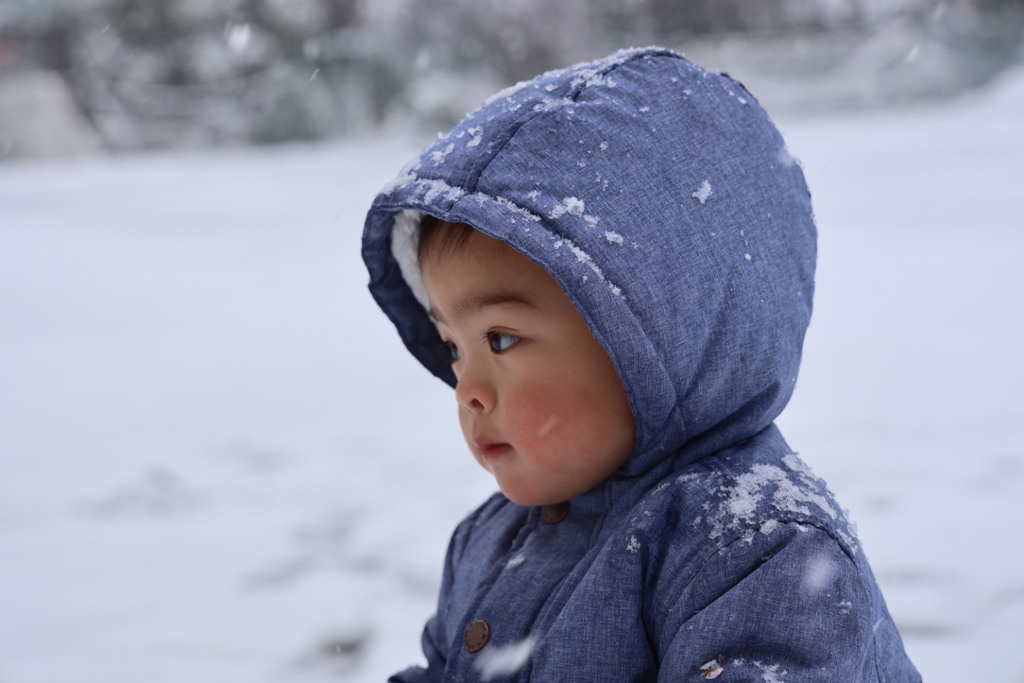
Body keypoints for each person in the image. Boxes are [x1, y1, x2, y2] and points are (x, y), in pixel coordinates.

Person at [361, 47, 920, 682]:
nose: (468, 392)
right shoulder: (487, 540)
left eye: (503, 340)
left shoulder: (760, 549)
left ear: (655, 336)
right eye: (454, 348)